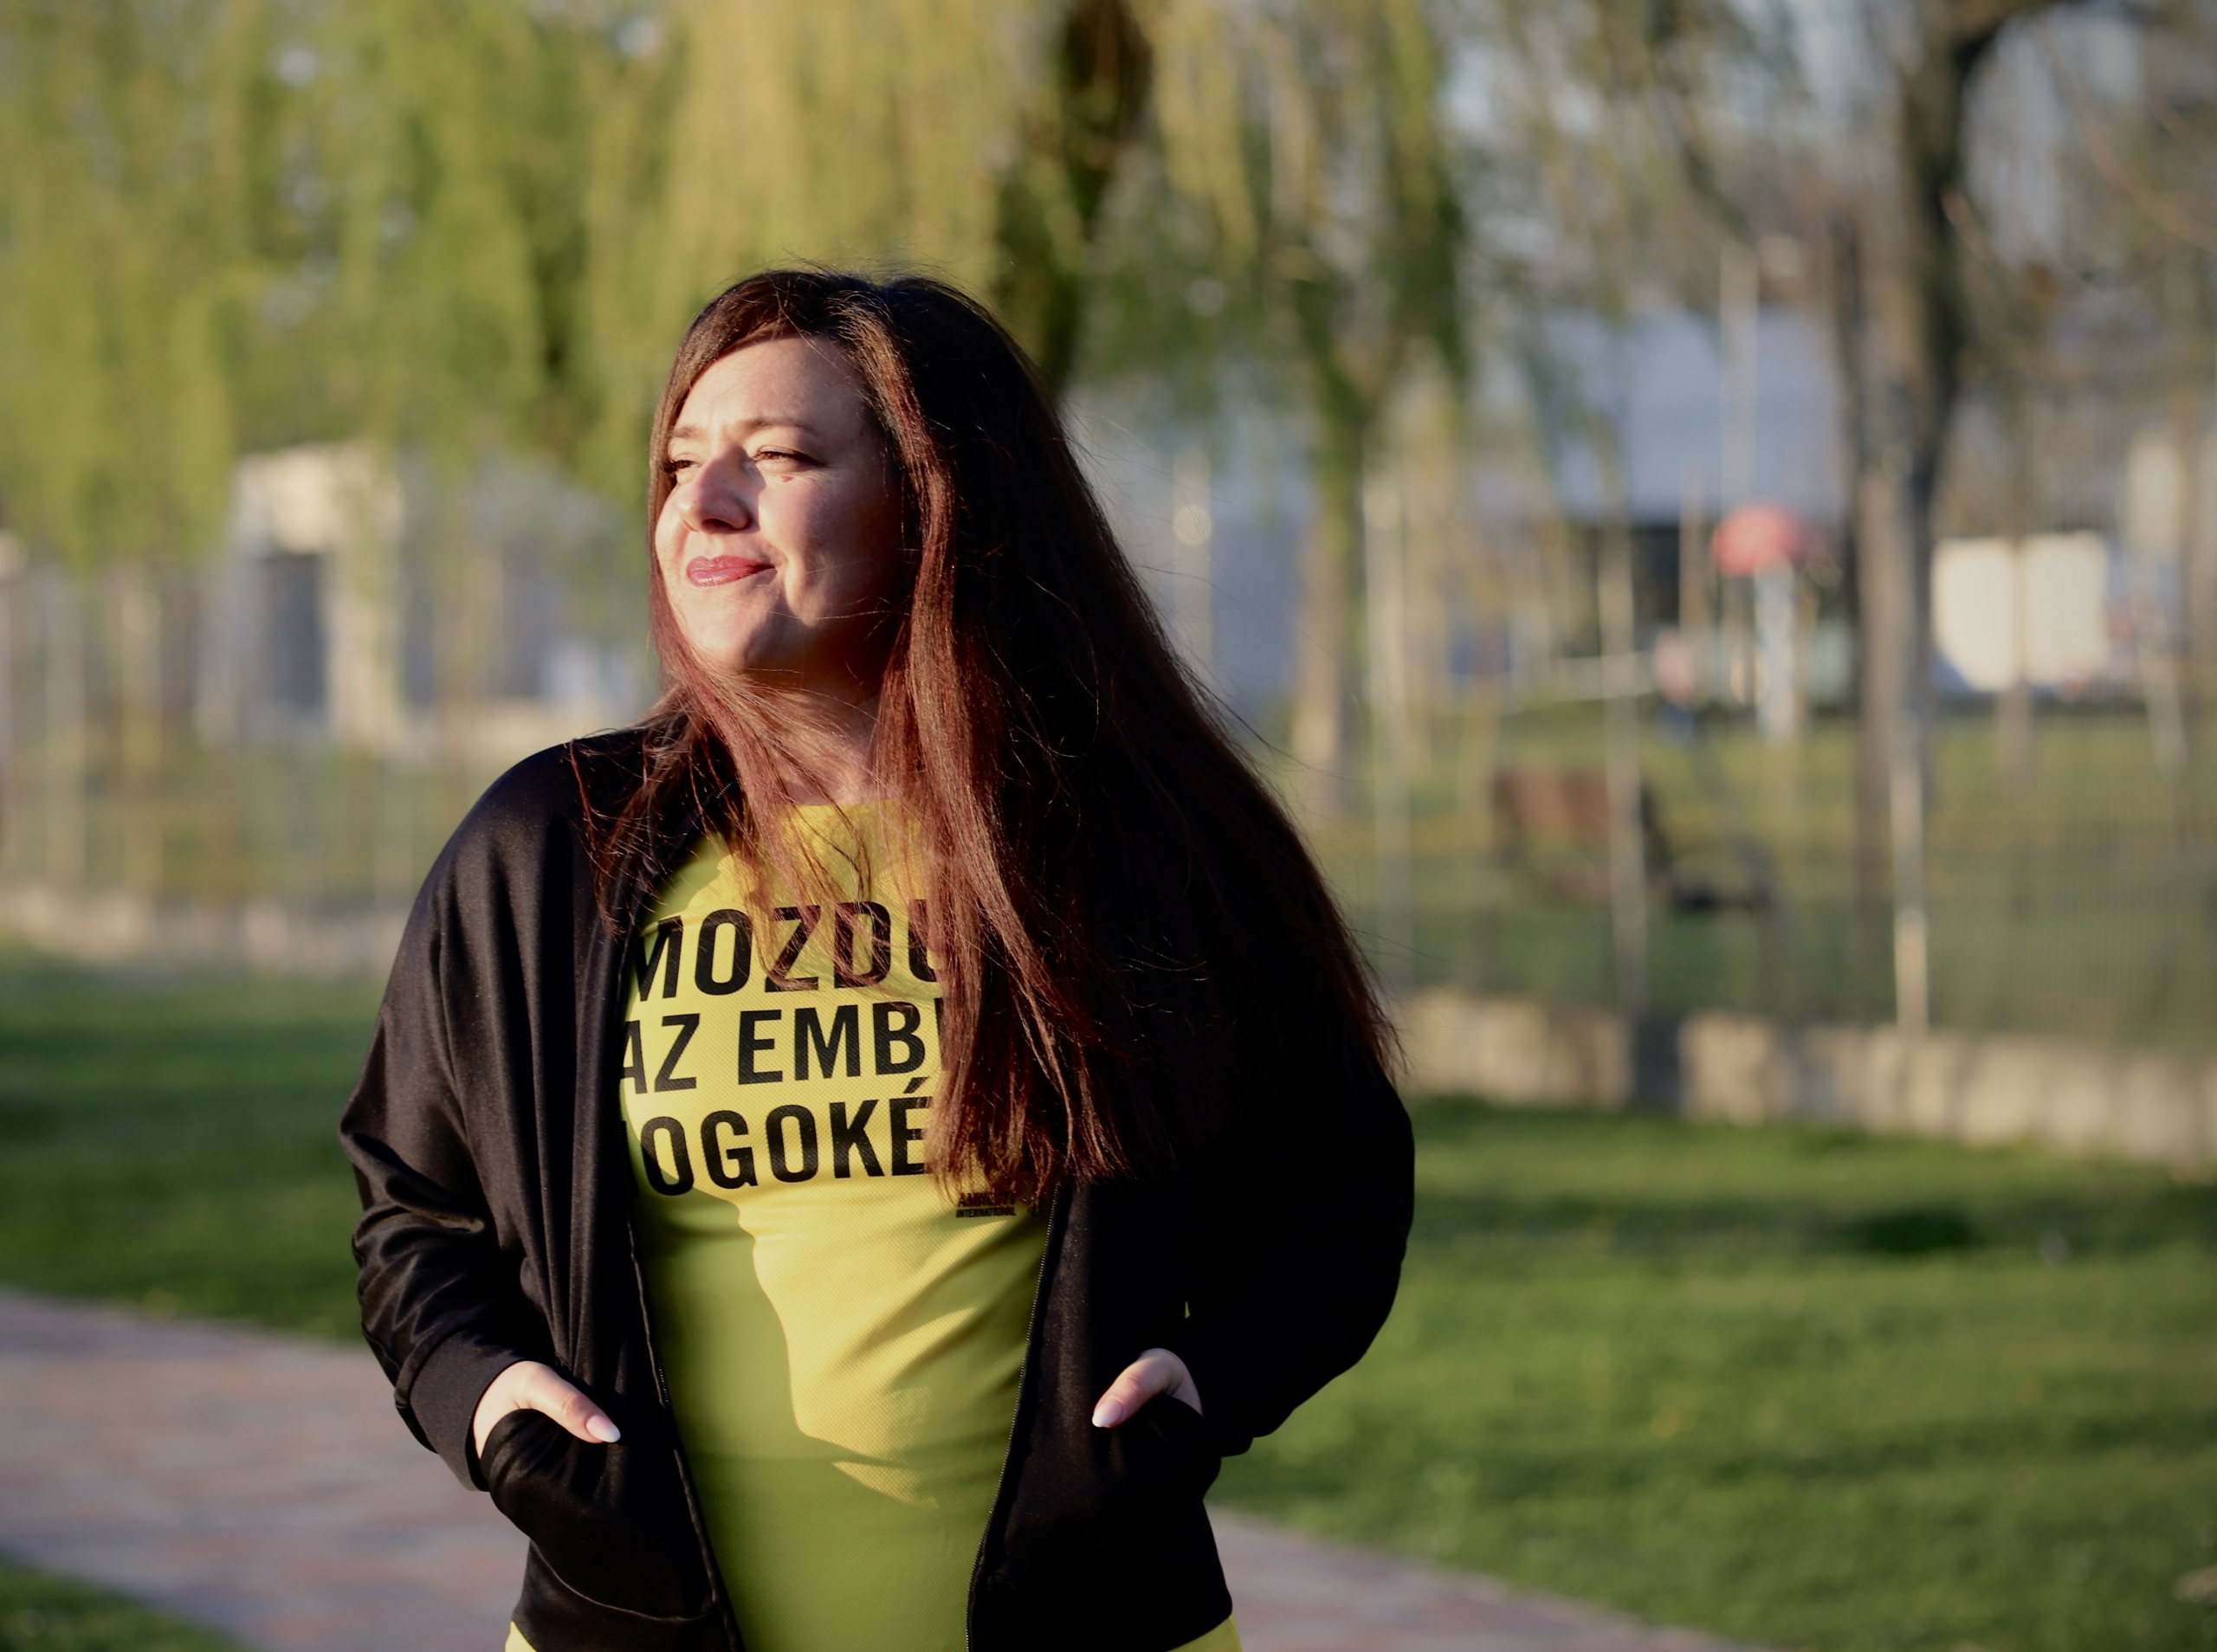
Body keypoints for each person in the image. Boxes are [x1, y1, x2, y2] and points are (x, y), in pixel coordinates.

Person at [342, 269, 1413, 1652]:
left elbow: (1337, 1182)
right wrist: (481, 1395)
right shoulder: (550, 849)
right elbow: (414, 1210)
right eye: (680, 462)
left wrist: (1217, 1379)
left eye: (780, 458)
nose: (703, 503)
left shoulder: (1133, 843)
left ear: (932, 502)